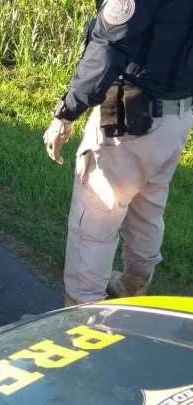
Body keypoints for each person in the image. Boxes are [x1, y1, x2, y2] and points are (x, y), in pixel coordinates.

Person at [43, 0, 193, 306]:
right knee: (148, 209)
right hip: (178, 116)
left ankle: (82, 316)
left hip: (130, 122)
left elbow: (107, 48)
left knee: (95, 219)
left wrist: (65, 114)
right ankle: (132, 287)